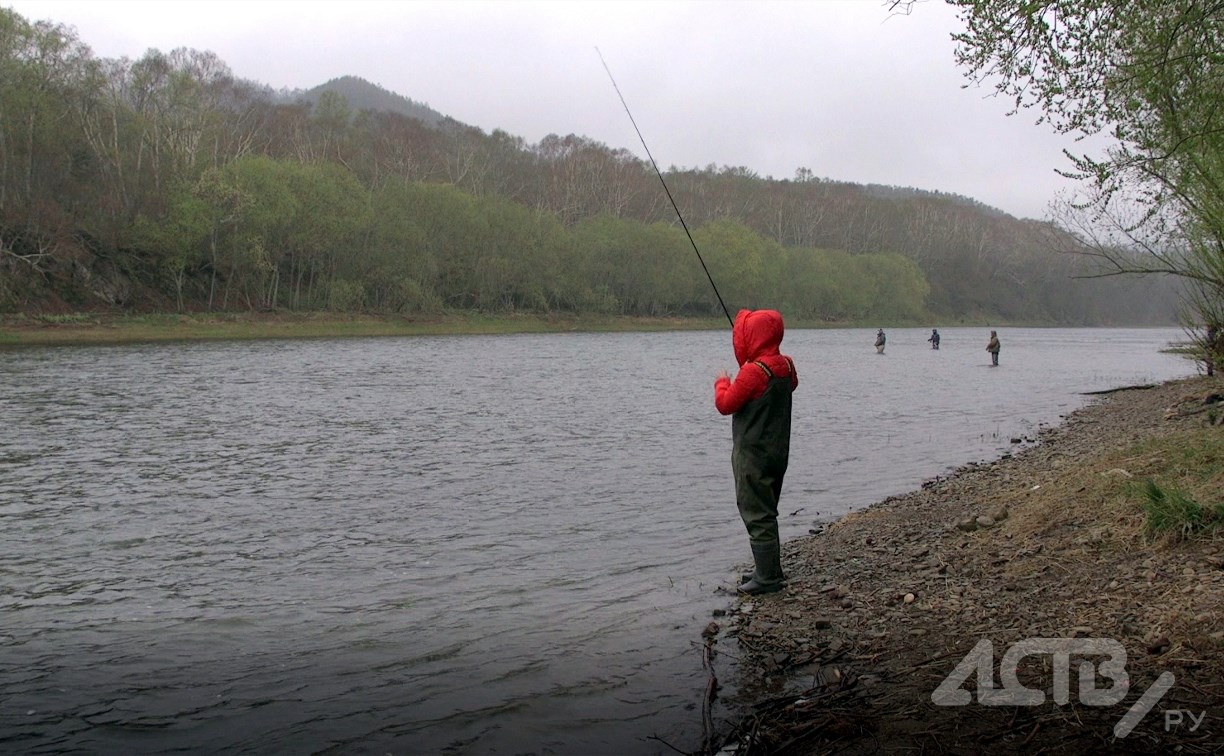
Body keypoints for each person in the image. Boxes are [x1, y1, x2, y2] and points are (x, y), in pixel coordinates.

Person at [714, 309, 798, 595]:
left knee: (755, 511)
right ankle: (769, 570)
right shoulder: (786, 364)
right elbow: (791, 385)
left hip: (752, 455)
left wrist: (722, 382)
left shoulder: (752, 372)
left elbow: (725, 405)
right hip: (777, 452)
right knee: (767, 509)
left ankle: (768, 578)